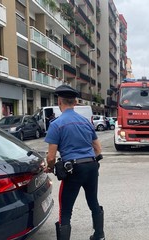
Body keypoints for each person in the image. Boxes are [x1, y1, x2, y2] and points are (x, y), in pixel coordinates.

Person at [44, 85, 105, 240]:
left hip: (73, 169)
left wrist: (49, 168)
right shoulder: (86, 122)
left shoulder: (56, 124)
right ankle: (99, 235)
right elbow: (98, 148)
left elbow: (51, 157)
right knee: (93, 201)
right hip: (91, 166)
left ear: (59, 102)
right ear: (75, 102)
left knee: (65, 210)